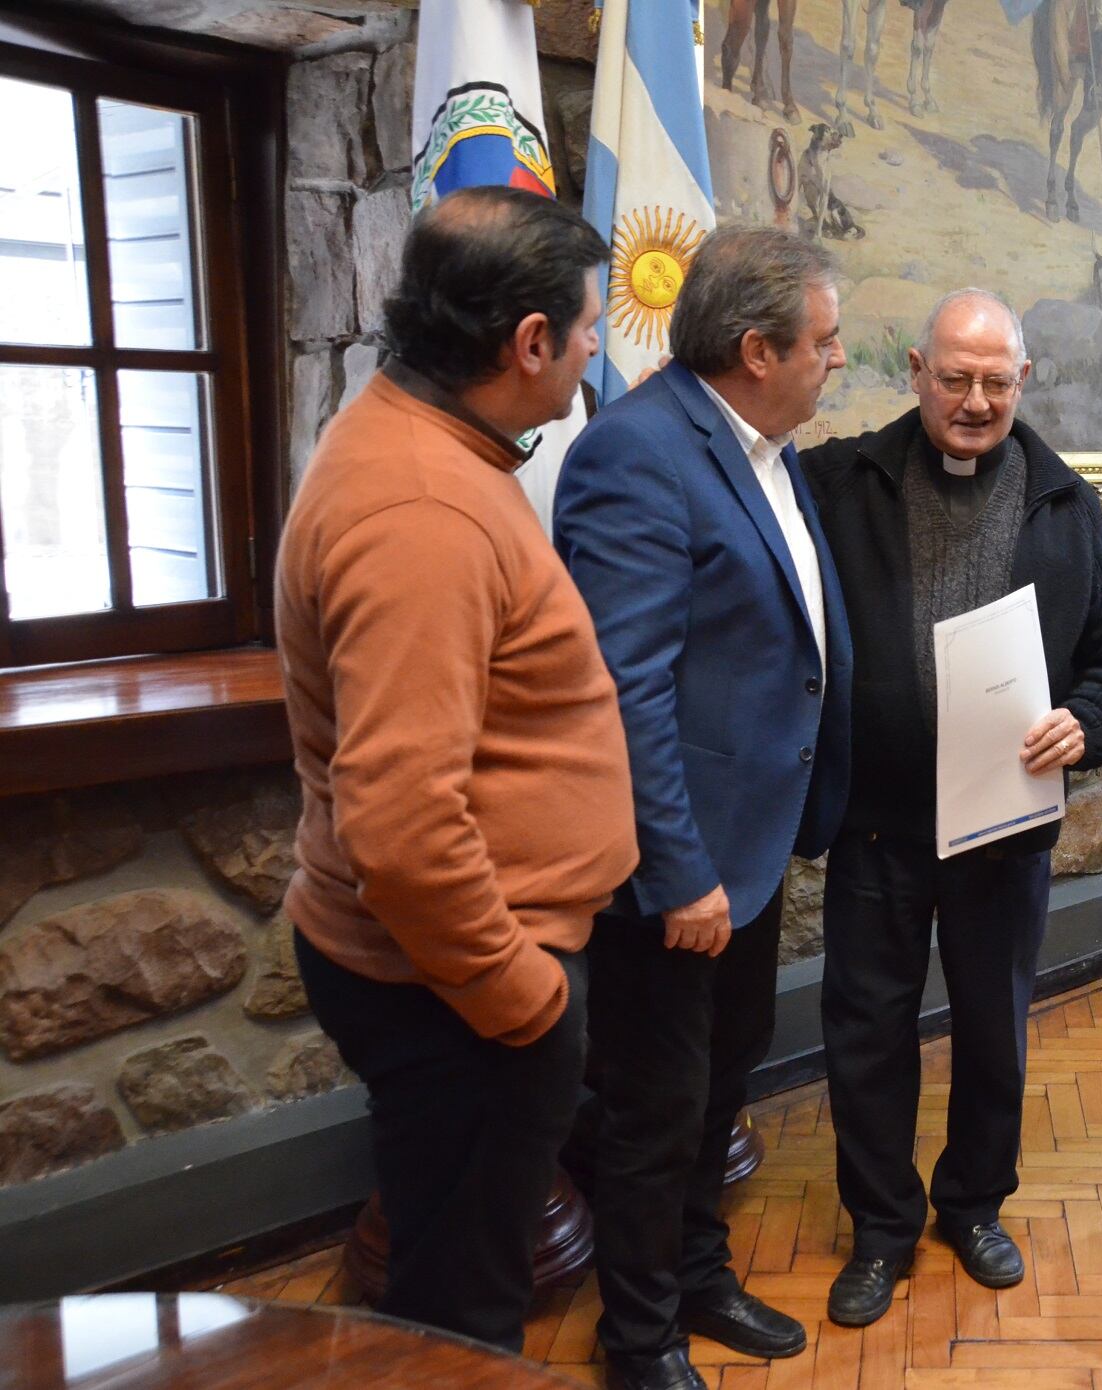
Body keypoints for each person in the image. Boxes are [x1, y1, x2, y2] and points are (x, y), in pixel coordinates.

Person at [276, 186, 636, 1352]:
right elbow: (400, 827)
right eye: (586, 329)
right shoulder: (424, 503)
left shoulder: (418, 433)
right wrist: (520, 998)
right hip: (461, 990)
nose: (593, 351)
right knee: (463, 1313)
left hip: (463, 976)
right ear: (528, 342)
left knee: (455, 1268)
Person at [800, 289, 1102, 1329]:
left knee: (995, 1032)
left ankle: (975, 1202)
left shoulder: (1063, 503)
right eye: (956, 376)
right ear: (915, 368)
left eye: (997, 380)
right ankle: (881, 1227)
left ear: (1023, 382)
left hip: (1003, 831)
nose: (976, 400)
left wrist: (1086, 721)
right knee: (867, 1031)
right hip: (877, 824)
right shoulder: (838, 481)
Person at [553, 226, 853, 1390]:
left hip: (753, 847)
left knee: (721, 1084)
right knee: (655, 1110)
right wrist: (676, 871)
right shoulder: (640, 453)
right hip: (675, 868)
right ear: (754, 350)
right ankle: (640, 1340)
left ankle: (698, 1273)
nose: (837, 358)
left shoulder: (764, 443)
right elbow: (624, 689)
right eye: (821, 342)